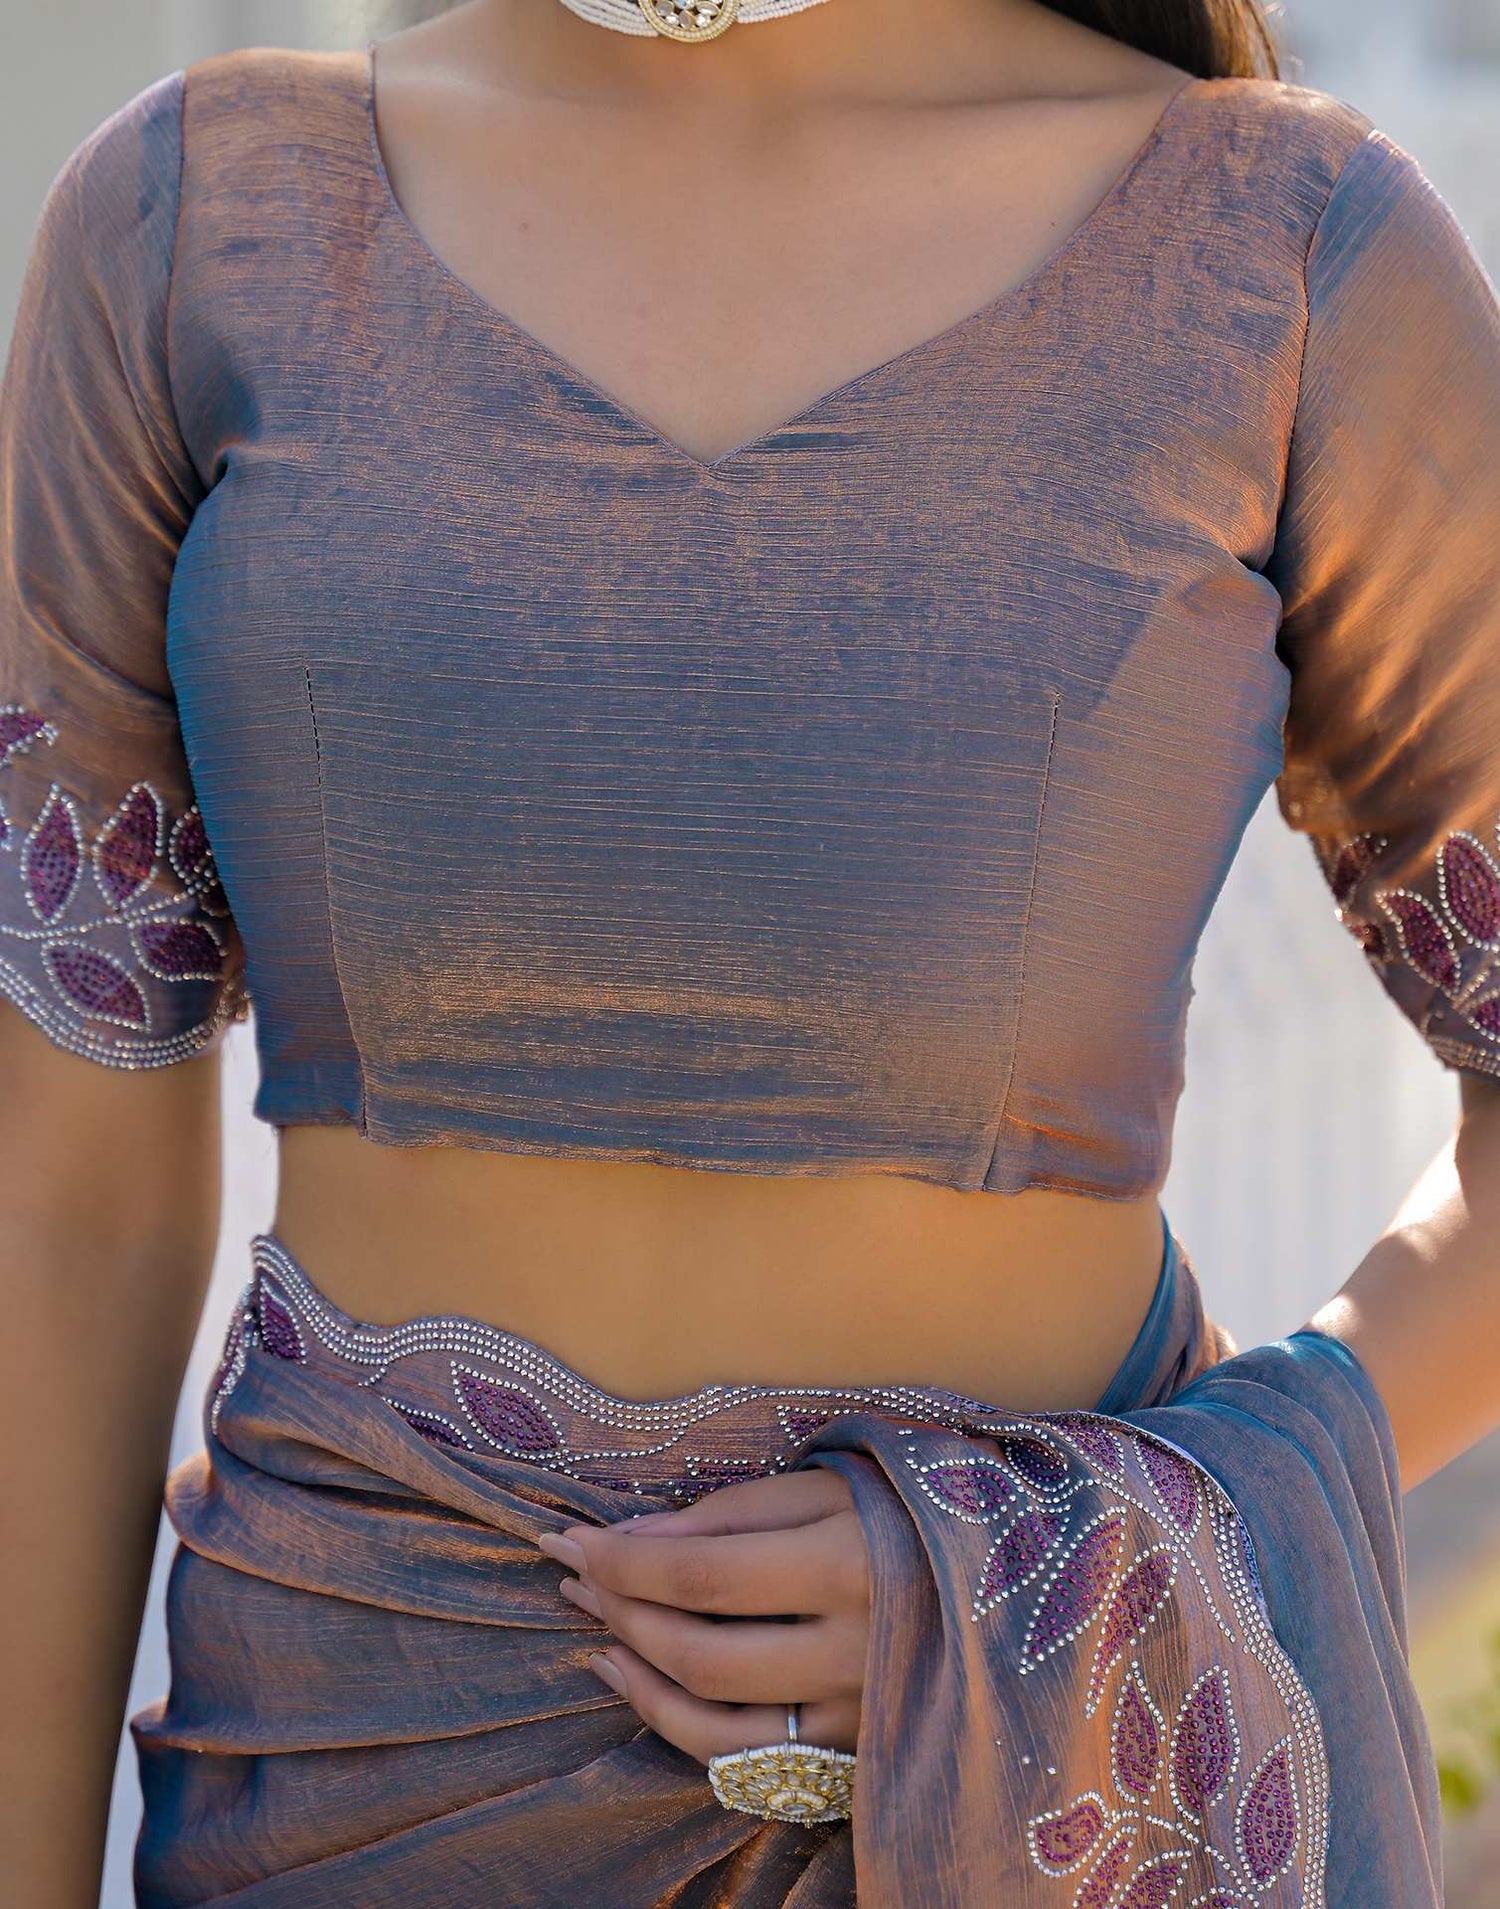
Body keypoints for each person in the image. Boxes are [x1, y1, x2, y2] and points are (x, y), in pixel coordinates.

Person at [1, 0, 1497, 1898]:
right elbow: (61, 1210)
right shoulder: (195, 227)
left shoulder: (1289, 254)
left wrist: (1065, 1578)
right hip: (357, 1775)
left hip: (1039, 1807)